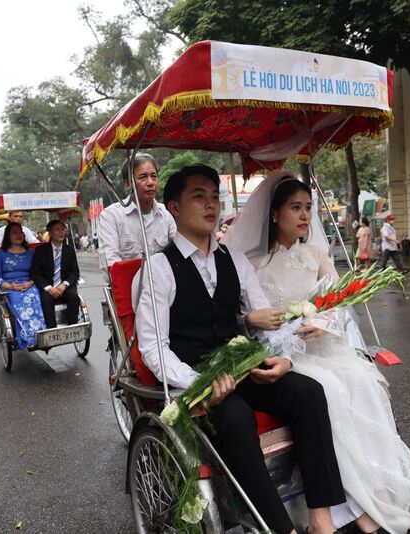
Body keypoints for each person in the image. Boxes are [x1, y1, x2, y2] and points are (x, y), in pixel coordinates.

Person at [225, 171, 410, 534]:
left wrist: (322, 322)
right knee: (332, 392)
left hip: (322, 344)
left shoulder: (317, 253)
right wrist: (281, 328)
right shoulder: (253, 262)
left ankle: (377, 493)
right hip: (283, 350)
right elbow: (250, 320)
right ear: (275, 213)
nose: (305, 215)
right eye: (296, 207)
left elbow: (340, 305)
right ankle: (348, 507)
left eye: (308, 207)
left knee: (367, 380)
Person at [137, 165, 347, 534]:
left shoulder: (233, 259)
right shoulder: (158, 268)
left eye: (214, 197)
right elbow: (154, 346)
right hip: (199, 378)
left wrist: (280, 357)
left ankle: (320, 519)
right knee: (235, 418)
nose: (210, 205)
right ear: (173, 207)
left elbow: (263, 315)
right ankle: (282, 528)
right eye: (198, 197)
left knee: (310, 393)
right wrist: (196, 383)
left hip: (240, 363)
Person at [98, 154, 178, 270]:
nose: (150, 182)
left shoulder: (166, 213)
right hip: (129, 285)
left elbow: (179, 249)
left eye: (154, 176)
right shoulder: (110, 216)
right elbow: (111, 264)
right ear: (127, 183)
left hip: (165, 285)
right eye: (143, 177)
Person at [0, 222, 46, 349]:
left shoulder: (31, 253)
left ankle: (40, 334)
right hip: (9, 287)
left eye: (20, 232)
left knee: (35, 296)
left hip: (30, 284)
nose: (18, 235)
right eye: (14, 232)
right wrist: (10, 286)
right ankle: (26, 337)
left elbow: (39, 272)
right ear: (8, 235)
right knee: (17, 299)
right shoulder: (0, 254)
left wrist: (30, 283)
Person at [31, 219, 81, 329]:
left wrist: (64, 284)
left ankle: (73, 327)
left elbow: (75, 273)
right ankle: (52, 330)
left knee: (74, 297)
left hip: (65, 285)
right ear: (50, 232)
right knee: (45, 300)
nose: (61, 232)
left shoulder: (70, 250)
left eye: (63, 229)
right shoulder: (41, 250)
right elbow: (35, 274)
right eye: (57, 230)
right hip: (48, 286)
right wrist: (49, 288)